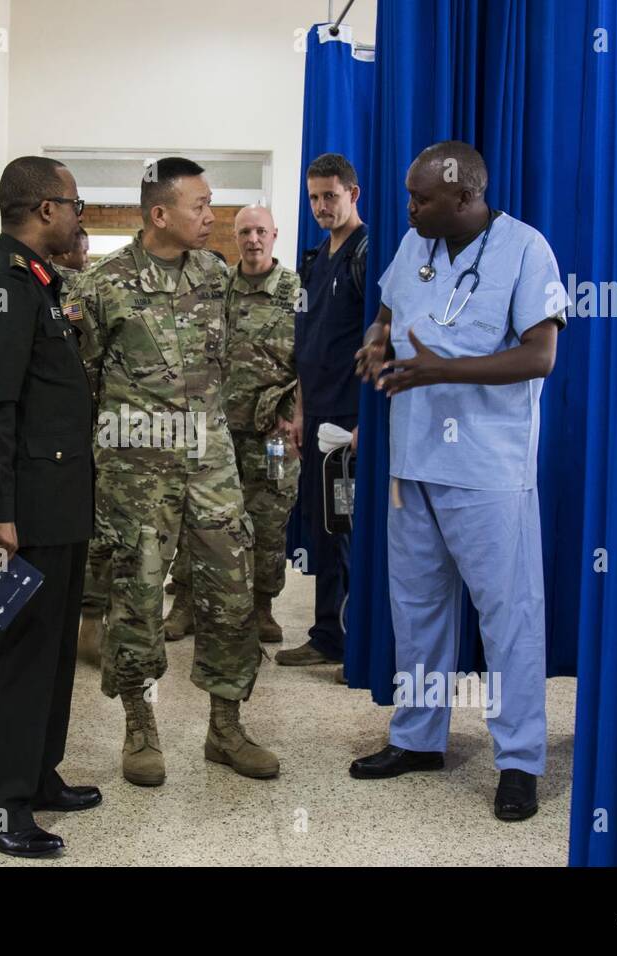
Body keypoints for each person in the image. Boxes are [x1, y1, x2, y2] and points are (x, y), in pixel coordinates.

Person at [352, 141, 565, 822]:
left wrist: (444, 370)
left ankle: (520, 760)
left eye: (420, 197)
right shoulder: (414, 247)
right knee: (417, 612)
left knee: (509, 618)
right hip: (411, 462)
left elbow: (540, 355)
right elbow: (386, 314)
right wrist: (375, 343)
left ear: (464, 195)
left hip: (486, 469)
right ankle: (418, 739)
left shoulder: (526, 250)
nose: (408, 207)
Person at [65, 158, 279, 788]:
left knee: (230, 595)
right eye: (200, 206)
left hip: (212, 467)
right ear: (160, 214)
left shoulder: (215, 274)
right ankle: (139, 727)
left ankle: (225, 728)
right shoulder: (101, 287)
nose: (213, 217)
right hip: (137, 473)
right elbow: (80, 383)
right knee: (136, 599)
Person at [0, 156, 98, 858]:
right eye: (73, 203)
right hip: (20, 516)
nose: (80, 216)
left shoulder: (37, 282)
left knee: (49, 654)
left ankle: (36, 775)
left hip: (56, 503)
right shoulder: (5, 288)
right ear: (43, 209)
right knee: (12, 660)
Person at [164, 205, 302, 646]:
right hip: (214, 431)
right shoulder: (216, 288)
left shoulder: (296, 291)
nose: (253, 240)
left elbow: (314, 359)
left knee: (268, 521)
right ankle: (184, 603)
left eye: (261, 231)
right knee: (198, 519)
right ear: (236, 236)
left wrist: (294, 414)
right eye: (245, 232)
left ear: (275, 235)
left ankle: (262, 607)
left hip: (271, 435)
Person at [276, 153, 369, 673]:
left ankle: (357, 645)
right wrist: (298, 410)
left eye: (330, 196)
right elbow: (308, 345)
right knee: (326, 530)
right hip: (316, 419)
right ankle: (326, 634)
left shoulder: (366, 252)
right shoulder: (313, 261)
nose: (320, 206)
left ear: (353, 194)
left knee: (349, 530)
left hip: (348, 423)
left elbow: (381, 342)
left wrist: (364, 424)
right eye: (313, 198)